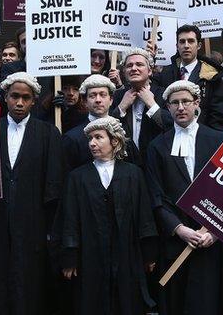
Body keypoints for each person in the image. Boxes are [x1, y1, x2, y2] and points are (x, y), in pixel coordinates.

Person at [147, 80, 223, 315]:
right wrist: (179, 229)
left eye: (186, 101)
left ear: (197, 104)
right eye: (174, 103)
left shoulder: (218, 139)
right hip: (177, 241)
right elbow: (155, 195)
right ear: (167, 107)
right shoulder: (157, 146)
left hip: (211, 239)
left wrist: (214, 232)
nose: (180, 107)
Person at [0, 72, 62, 315]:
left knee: (30, 283)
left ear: (34, 101)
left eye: (26, 98)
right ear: (5, 97)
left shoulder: (48, 133)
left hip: (33, 223)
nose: (20, 103)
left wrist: (48, 228)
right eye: (15, 96)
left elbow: (54, 182)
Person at [61, 116, 158, 315]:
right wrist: (70, 256)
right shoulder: (77, 177)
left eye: (98, 137)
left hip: (127, 254)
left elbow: (144, 216)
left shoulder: (133, 174)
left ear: (114, 141)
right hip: (90, 256)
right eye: (90, 139)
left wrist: (149, 254)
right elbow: (70, 219)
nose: (92, 143)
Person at [154, 24, 223, 132]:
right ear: (177, 46)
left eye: (191, 41)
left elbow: (218, 118)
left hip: (201, 141)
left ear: (199, 45)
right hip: (171, 139)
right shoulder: (165, 73)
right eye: (182, 42)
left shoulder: (211, 76)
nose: (186, 45)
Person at [111, 48, 172, 164]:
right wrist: (121, 108)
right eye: (129, 65)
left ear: (149, 71)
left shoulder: (163, 94)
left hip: (157, 163)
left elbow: (172, 125)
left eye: (139, 64)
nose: (134, 68)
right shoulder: (118, 96)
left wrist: (152, 105)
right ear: (124, 71)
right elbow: (108, 129)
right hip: (127, 165)